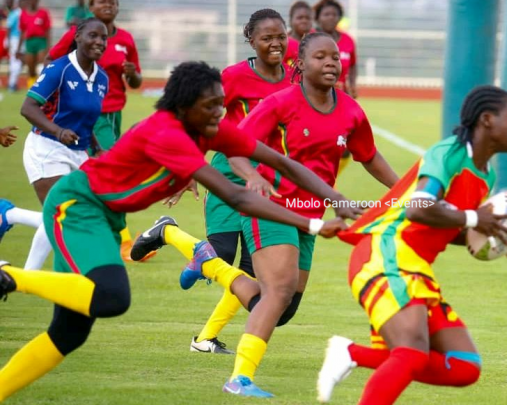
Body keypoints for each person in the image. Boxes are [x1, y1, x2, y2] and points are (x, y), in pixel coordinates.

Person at [0, 60, 357, 402]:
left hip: (104, 218)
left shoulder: (206, 128)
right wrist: (312, 223)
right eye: (212, 105)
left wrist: (334, 197)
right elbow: (236, 195)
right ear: (185, 106)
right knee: (112, 297)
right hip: (77, 207)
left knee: (69, 333)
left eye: (221, 103)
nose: (221, 112)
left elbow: (280, 161)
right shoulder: (167, 132)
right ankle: (8, 277)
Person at [144, 32, 399, 398]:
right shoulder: (280, 104)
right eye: (320, 58)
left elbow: (370, 156)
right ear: (301, 64)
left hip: (312, 214)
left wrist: (407, 190)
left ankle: (207, 260)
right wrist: (252, 178)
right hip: (272, 209)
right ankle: (239, 379)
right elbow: (235, 147)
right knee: (277, 292)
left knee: (282, 307)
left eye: (334, 58)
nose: (330, 63)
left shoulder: (351, 111)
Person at [315, 85, 507, 405]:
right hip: (384, 252)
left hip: (413, 266)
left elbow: (448, 225)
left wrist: (494, 234)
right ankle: (350, 354)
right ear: (486, 120)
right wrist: (472, 219)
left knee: (465, 366)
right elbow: (419, 208)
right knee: (411, 352)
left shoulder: (486, 175)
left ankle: (351, 353)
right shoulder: (450, 153)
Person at [189, 8, 294, 355]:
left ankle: (204, 338)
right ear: (250, 40)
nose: (276, 44)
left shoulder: (294, 78)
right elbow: (201, 119)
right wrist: (186, 169)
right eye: (267, 38)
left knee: (252, 270)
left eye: (281, 36)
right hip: (227, 175)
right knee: (219, 253)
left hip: (268, 183)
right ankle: (166, 234)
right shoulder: (233, 77)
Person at [47, 0, 144, 261]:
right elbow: (52, 60)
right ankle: (123, 241)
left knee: (93, 172)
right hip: (92, 116)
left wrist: (132, 73)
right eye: (102, 1)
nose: (109, 6)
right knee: (114, 170)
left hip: (115, 114)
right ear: (91, 5)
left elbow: (136, 81)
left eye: (113, 2)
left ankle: (88, 226)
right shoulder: (79, 33)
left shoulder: (125, 39)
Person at [20, 17, 109, 271]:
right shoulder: (59, 69)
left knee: (70, 216)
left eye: (103, 38)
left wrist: (97, 147)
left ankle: (9, 218)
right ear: (78, 37)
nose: (99, 42)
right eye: (93, 36)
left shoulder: (102, 78)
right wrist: (58, 131)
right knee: (62, 214)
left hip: (79, 152)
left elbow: (86, 119)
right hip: (46, 147)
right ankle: (29, 278)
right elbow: (28, 108)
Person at [313, 0, 358, 176]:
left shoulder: (347, 40)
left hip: (341, 101)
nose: (331, 18)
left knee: (345, 146)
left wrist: (352, 84)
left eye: (335, 14)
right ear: (318, 18)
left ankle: (329, 179)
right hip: (316, 98)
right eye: (326, 14)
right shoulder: (310, 38)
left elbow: (353, 65)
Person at [17, 0, 51, 88]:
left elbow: (47, 30)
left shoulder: (43, 13)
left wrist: (48, 46)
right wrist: (18, 48)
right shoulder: (23, 14)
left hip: (41, 41)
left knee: (41, 66)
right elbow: (22, 32)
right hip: (29, 42)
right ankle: (31, 88)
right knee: (31, 69)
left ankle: (42, 88)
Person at [285, 1, 312, 67]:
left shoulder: (318, 39)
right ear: (291, 20)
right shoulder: (284, 43)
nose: (304, 21)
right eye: (300, 18)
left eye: (307, 18)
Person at [5, 0, 22, 91]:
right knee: (17, 62)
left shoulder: (15, 13)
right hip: (20, 39)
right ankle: (13, 83)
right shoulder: (21, 13)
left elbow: (9, 27)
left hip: (15, 39)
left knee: (15, 61)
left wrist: (7, 40)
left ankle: (12, 84)